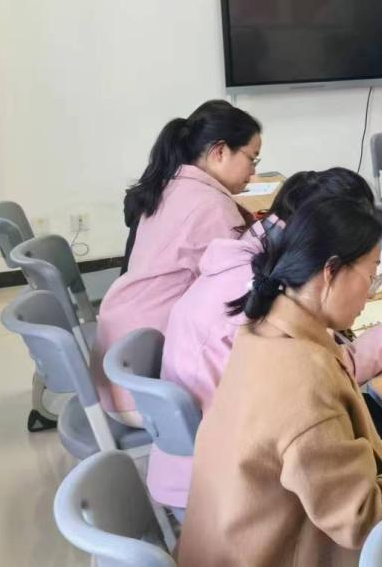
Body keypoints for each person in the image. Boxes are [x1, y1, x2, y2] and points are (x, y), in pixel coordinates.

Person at [178, 197, 382, 567]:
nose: (371, 293)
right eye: (371, 276)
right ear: (331, 271)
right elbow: (363, 518)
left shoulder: (262, 328)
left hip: (233, 543)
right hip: (266, 554)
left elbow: (300, 460)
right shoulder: (303, 378)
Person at [149, 168, 382, 511]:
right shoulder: (267, 320)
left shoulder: (252, 274)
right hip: (224, 494)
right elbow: (356, 509)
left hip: (211, 468)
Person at [92, 100, 261, 421]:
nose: (253, 171)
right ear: (220, 151)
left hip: (121, 364)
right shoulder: (211, 206)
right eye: (252, 158)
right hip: (149, 394)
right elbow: (244, 288)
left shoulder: (171, 185)